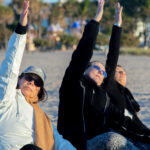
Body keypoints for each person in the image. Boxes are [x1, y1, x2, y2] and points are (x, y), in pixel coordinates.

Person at [57, 1, 138, 150]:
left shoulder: (104, 94)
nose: (101, 72)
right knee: (115, 140)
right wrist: (96, 21)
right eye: (96, 68)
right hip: (76, 144)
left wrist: (117, 25)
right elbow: (82, 54)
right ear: (85, 70)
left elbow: (112, 59)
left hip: (101, 141)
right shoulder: (74, 83)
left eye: (103, 71)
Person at [0, 1, 76, 150]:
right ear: (20, 79)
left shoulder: (42, 117)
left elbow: (59, 142)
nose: (31, 83)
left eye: (37, 83)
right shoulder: (6, 98)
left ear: (39, 91)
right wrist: (21, 31)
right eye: (28, 78)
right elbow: (10, 67)